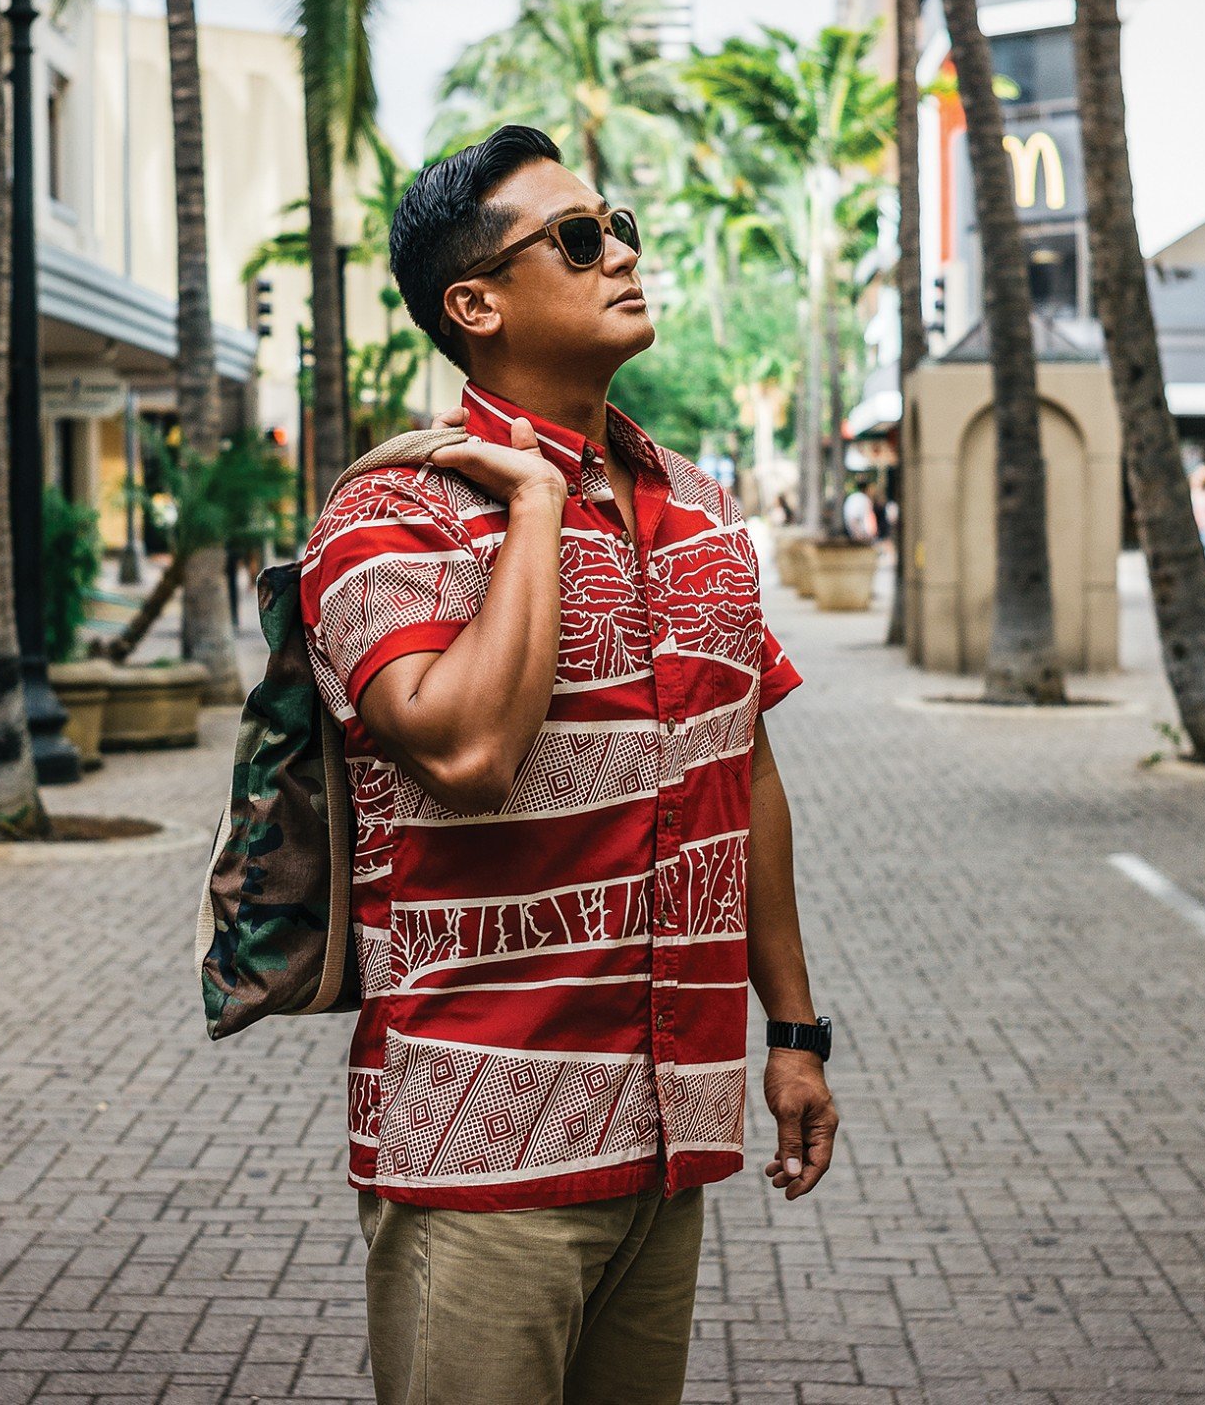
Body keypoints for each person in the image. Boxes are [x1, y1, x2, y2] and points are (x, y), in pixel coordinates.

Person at [299, 126, 835, 1405]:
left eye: (620, 225)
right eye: (578, 238)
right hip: (479, 1150)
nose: (622, 254)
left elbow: (743, 771)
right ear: (473, 304)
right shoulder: (390, 516)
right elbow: (471, 751)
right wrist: (534, 502)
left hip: (670, 1131)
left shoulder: (701, 511)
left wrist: (797, 1031)